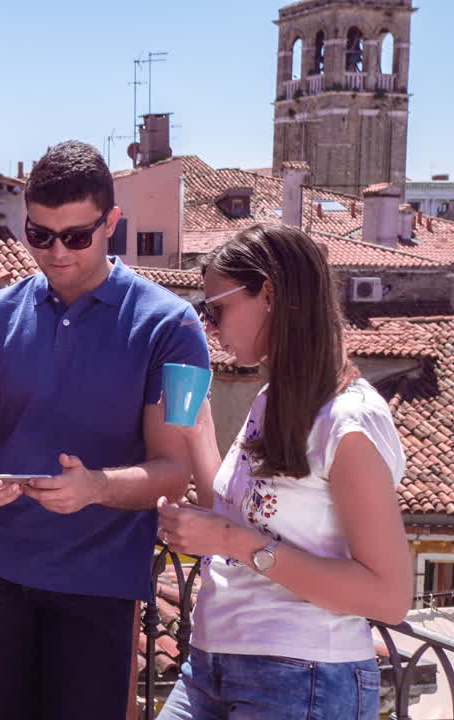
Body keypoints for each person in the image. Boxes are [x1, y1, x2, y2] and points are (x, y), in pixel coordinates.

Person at [0, 140, 209, 719]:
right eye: (40, 235)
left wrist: (97, 488)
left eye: (76, 237)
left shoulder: (172, 327)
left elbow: (173, 471)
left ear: (111, 222)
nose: (56, 252)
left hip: (100, 588)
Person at [156, 223, 411, 719]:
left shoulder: (349, 421)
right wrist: (196, 435)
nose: (210, 325)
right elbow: (239, 520)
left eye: (217, 307)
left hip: (304, 675)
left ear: (268, 294)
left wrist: (231, 542)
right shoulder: (272, 402)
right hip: (214, 663)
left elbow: (390, 597)